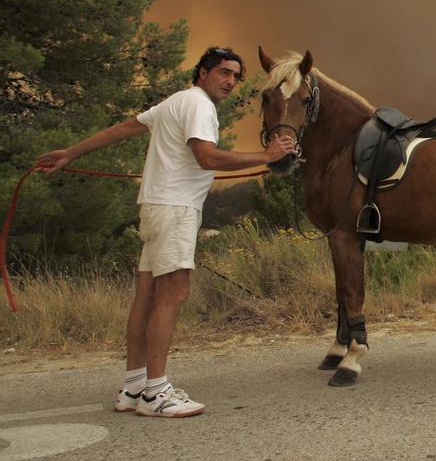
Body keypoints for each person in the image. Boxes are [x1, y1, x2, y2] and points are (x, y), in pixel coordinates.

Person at [36, 47, 295, 417]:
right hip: (175, 209)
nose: (231, 82)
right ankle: (156, 393)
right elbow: (206, 157)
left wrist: (72, 153)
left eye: (236, 77)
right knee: (172, 294)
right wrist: (265, 156)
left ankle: (134, 385)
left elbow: (124, 128)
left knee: (147, 296)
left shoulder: (175, 101)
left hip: (155, 207)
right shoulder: (199, 105)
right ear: (202, 73)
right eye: (223, 72)